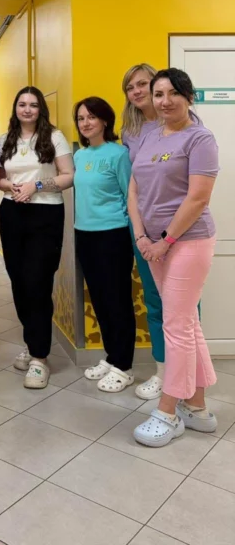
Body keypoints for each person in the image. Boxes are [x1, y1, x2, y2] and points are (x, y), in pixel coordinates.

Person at [130, 68, 219, 447]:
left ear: (188, 96)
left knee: (176, 325)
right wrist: (142, 236)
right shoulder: (151, 134)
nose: (164, 101)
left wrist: (165, 241)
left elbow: (198, 198)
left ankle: (167, 411)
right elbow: (134, 188)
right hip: (152, 243)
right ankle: (196, 407)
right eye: (158, 94)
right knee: (187, 324)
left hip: (188, 242)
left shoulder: (200, 138)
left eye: (173, 93)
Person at [0, 87, 74, 389]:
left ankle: (40, 358)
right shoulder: (4, 140)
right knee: (18, 281)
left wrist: (36, 185)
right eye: (22, 104)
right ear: (15, 108)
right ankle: (32, 343)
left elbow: (68, 175)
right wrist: (11, 187)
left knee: (37, 283)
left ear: (41, 108)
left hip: (46, 214)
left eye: (33, 105)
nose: (27, 109)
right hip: (11, 212)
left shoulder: (54, 136)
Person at [73, 97, 136, 392]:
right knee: (99, 299)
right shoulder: (80, 156)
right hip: (84, 234)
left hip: (113, 235)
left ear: (105, 120)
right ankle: (112, 357)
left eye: (91, 117)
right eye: (81, 118)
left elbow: (130, 196)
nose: (85, 123)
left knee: (117, 300)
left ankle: (124, 366)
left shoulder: (119, 154)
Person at [121, 63, 165, 400]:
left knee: (182, 304)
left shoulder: (183, 124)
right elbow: (134, 185)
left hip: (177, 228)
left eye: (142, 84)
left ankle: (187, 373)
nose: (137, 91)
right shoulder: (130, 132)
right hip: (141, 227)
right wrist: (138, 231)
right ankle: (163, 371)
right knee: (154, 300)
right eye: (130, 87)